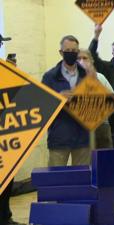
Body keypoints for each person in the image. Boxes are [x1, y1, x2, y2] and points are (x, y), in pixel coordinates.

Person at [41, 35, 90, 166]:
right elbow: (42, 107)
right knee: (55, 179)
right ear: (61, 52)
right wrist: (58, 98)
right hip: (59, 136)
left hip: (83, 137)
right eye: (67, 51)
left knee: (82, 179)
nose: (71, 54)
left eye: (74, 51)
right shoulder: (49, 77)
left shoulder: (87, 75)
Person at [0, 34, 25, 225]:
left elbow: (16, 98)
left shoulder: (4, 68)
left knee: (7, 177)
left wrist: (13, 76)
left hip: (6, 131)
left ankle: (4, 216)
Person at [77, 49, 114, 149]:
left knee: (105, 156)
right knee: (85, 159)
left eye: (85, 58)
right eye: (78, 58)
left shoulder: (100, 77)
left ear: (91, 60)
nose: (82, 61)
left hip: (102, 125)